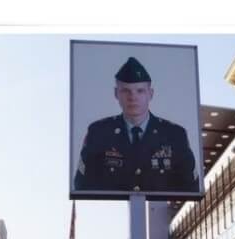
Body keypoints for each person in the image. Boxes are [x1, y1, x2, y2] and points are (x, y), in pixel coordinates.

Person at [74, 57, 199, 194]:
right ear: (116, 93)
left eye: (140, 91)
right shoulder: (98, 133)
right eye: (125, 91)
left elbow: (191, 187)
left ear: (150, 94)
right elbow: (82, 185)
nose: (132, 97)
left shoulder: (175, 135)